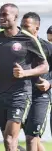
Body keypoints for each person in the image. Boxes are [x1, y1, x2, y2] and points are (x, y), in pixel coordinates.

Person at [0, 3, 49, 151]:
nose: (1, 17)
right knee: (8, 139)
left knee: (10, 138)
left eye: (5, 14)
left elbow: (45, 66)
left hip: (21, 94)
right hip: (1, 94)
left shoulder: (29, 39)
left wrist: (25, 73)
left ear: (15, 17)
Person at [21, 12, 52, 151]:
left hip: (40, 96)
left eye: (26, 27)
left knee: (31, 138)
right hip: (20, 96)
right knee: (23, 137)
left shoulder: (47, 47)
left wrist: (49, 83)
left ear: (36, 28)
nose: (22, 30)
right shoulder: (16, 46)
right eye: (21, 26)